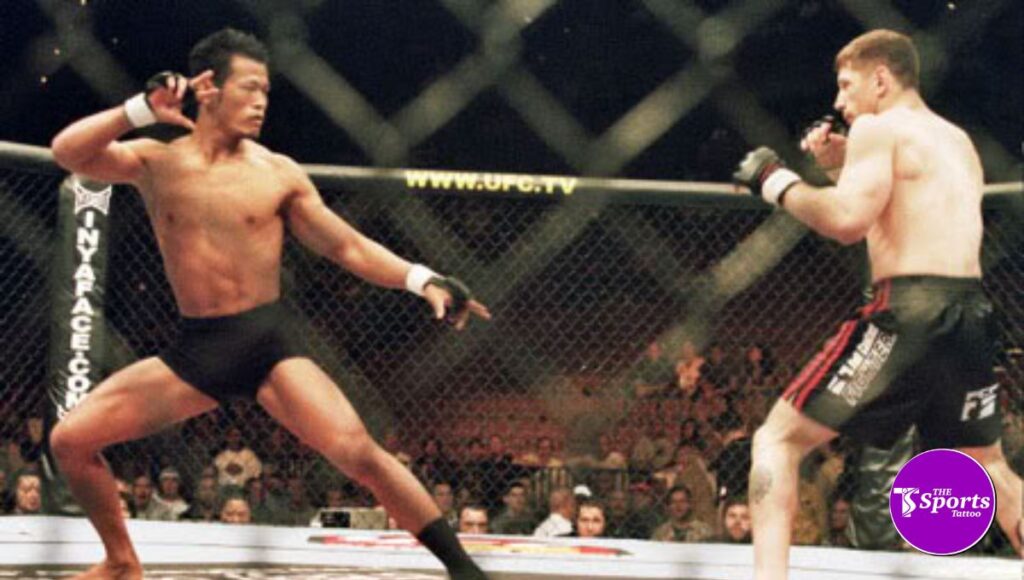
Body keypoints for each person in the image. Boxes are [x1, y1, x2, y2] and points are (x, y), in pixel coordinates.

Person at [48, 28, 491, 580]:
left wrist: (422, 279)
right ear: (208, 88)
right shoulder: (157, 162)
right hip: (198, 349)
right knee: (70, 440)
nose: (261, 102)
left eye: (266, 92)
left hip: (267, 344)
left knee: (359, 454)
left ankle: (464, 570)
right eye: (250, 88)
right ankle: (120, 561)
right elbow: (68, 152)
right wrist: (139, 110)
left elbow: (346, 245)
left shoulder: (277, 173)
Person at [732, 29, 1023, 578]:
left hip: (907, 309)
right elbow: (901, 217)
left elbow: (847, 222)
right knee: (989, 465)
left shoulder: (876, 127)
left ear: (881, 79)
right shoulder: (956, 140)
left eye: (848, 85)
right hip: (969, 311)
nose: (840, 102)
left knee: (777, 440)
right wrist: (839, 169)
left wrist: (776, 182)